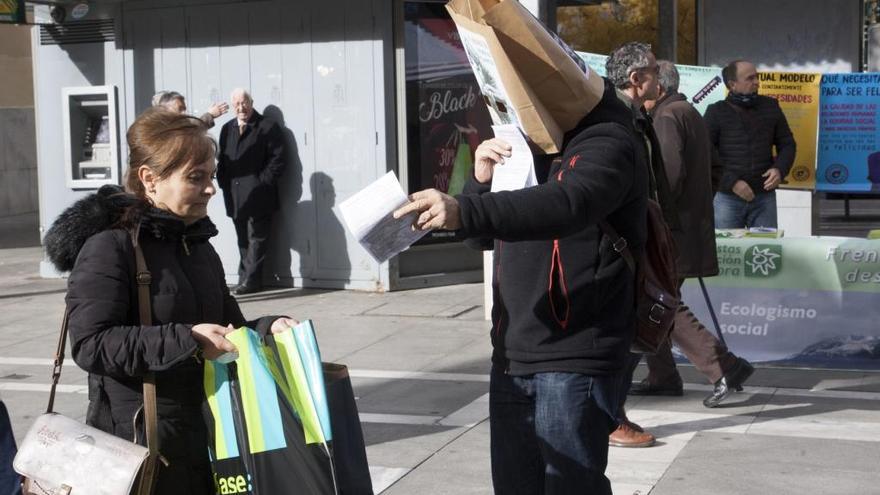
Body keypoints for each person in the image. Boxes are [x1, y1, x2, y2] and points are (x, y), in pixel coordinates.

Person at [394, 76, 649, 494]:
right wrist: (479, 182)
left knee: (571, 486)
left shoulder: (607, 139)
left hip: (575, 351)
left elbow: (568, 203)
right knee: (514, 485)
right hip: (514, 353)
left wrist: (466, 209)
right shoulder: (522, 143)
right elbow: (481, 239)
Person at [43, 108, 296, 494]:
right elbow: (91, 344)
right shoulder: (110, 248)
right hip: (140, 447)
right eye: (196, 178)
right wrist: (188, 341)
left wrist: (266, 328)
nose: (211, 188)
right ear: (150, 179)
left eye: (211, 176)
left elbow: (229, 327)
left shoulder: (197, 245)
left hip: (207, 438)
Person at [633, 60, 755, 408]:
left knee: (660, 301)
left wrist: (652, 211)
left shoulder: (667, 117)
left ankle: (723, 367)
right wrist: (695, 204)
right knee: (653, 300)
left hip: (670, 231)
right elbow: (714, 170)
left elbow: (665, 180)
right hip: (688, 226)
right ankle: (663, 376)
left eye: (648, 80)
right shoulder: (689, 112)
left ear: (660, 85)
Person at [604, 41, 679, 449]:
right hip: (625, 244)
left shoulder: (636, 115)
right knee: (627, 332)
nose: (659, 74)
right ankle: (610, 417)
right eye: (652, 69)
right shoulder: (615, 117)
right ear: (636, 79)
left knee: (639, 328)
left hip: (642, 237)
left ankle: (611, 412)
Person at [703, 59, 796, 229]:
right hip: (727, 199)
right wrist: (732, 182)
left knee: (765, 251)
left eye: (757, 77)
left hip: (764, 198)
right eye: (750, 78)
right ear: (732, 84)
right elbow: (705, 153)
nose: (757, 82)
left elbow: (788, 144)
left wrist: (779, 169)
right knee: (727, 253)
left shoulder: (770, 106)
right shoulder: (716, 112)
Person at [217, 88, 286, 296]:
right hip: (235, 195)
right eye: (237, 104)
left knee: (257, 238)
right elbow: (223, 160)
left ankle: (251, 281)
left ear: (252, 102)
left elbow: (278, 159)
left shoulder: (267, 126)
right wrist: (223, 182)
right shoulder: (227, 128)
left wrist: (261, 183)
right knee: (242, 239)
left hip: (259, 195)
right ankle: (244, 278)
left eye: (244, 102)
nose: (241, 107)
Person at [152, 90, 228, 128]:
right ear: (165, 111)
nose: (184, 113)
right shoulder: (162, 131)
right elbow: (192, 129)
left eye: (184, 109)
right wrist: (210, 115)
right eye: (180, 109)